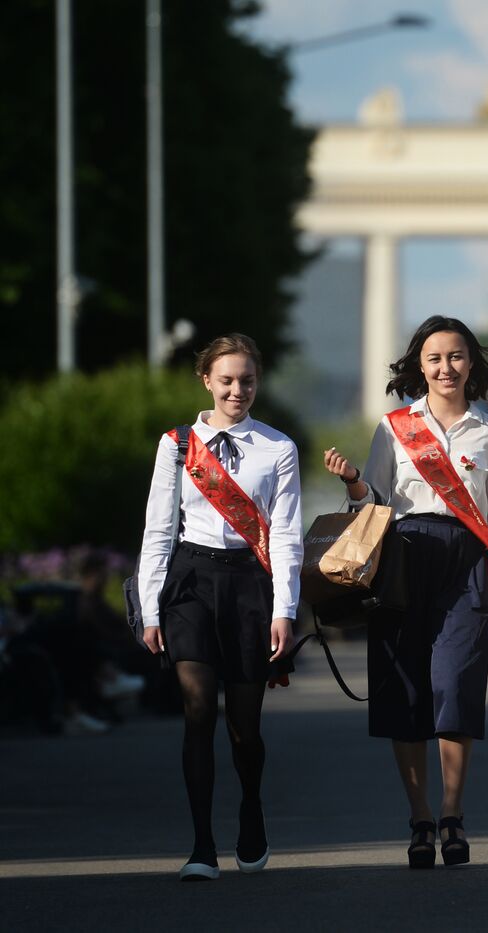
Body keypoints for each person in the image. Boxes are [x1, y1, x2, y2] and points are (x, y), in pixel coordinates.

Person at [325, 316, 488, 869]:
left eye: (456, 356)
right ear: (420, 366)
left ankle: (453, 813)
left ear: (472, 364)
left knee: (456, 683)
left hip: (468, 565)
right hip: (403, 562)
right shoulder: (393, 428)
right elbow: (373, 505)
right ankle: (420, 817)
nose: (445, 368)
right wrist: (354, 482)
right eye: (434, 358)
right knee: (405, 690)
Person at [137, 334, 303, 881]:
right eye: (227, 380)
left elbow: (286, 535)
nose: (237, 390)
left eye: (247, 380)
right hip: (190, 582)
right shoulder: (177, 445)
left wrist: (285, 609)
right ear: (206, 380)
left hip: (250, 586)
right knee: (198, 711)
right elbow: (159, 529)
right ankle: (201, 845)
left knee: (244, 726)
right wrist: (151, 609)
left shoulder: (277, 447)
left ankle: (251, 808)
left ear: (258, 382)